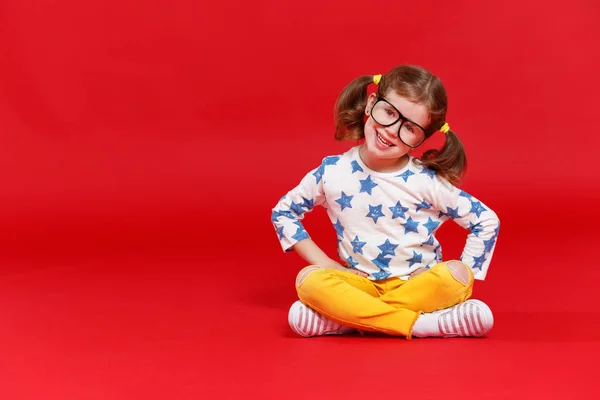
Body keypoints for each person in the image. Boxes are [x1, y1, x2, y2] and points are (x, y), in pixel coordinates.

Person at [271, 65, 500, 339]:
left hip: (417, 287)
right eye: (389, 113)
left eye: (409, 128)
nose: (391, 131)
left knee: (457, 276)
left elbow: (486, 220)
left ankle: (348, 320)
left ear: (422, 138)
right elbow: (283, 212)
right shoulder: (332, 172)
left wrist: (470, 270)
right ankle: (425, 325)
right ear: (370, 104)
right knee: (309, 280)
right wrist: (325, 263)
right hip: (359, 285)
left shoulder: (425, 181)